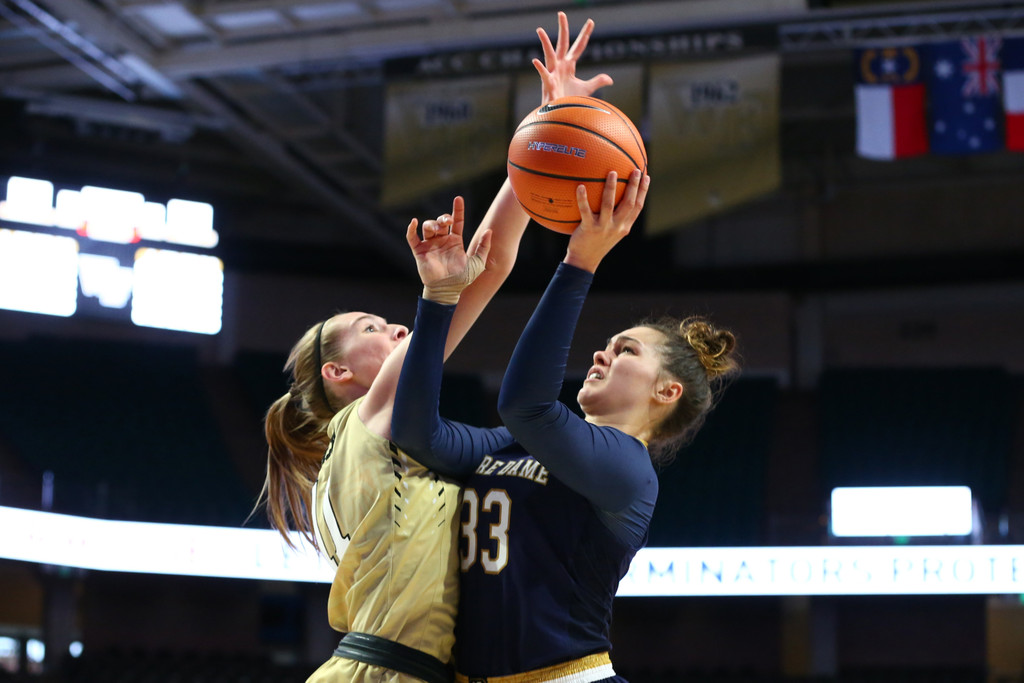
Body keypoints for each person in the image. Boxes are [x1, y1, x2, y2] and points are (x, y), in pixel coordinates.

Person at [258, 12, 615, 683]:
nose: (396, 330)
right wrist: (545, 133)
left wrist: (545, 139)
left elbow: (489, 264)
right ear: (338, 373)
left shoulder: (367, 445)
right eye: (372, 328)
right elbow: (488, 263)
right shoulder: (369, 416)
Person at [391, 169, 740, 682]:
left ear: (667, 392)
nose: (602, 352)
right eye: (609, 343)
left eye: (626, 350)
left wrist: (581, 261)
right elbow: (417, 435)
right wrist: (439, 299)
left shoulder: (628, 470)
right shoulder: (517, 443)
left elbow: (526, 404)